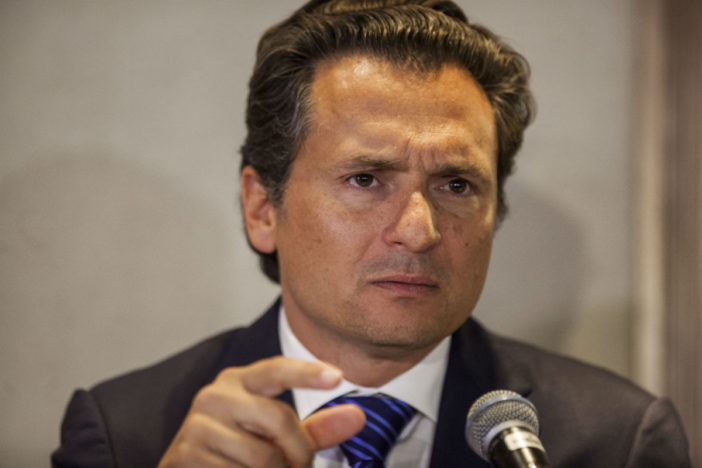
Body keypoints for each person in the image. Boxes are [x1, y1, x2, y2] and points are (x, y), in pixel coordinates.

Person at [52, 1, 691, 467]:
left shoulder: (617, 440)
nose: (418, 231)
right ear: (262, 207)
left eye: (457, 185)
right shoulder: (127, 435)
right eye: (365, 179)